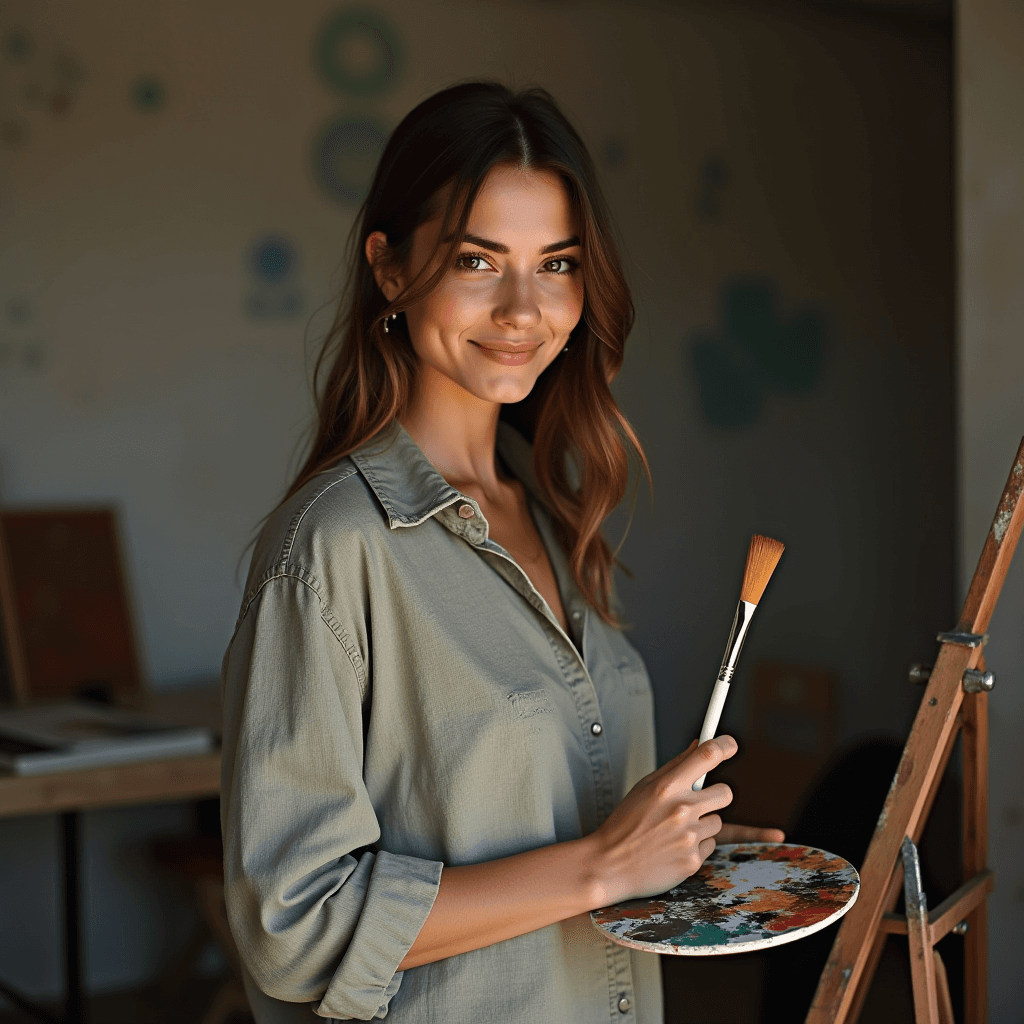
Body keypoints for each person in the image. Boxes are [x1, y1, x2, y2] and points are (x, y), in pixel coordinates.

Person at [220, 80, 783, 1024]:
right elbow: (294, 925)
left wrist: (673, 855)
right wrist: (603, 866)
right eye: (479, 259)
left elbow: (538, 820)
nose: (525, 308)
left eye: (556, 263)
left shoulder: (557, 520)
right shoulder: (332, 549)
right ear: (390, 269)